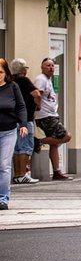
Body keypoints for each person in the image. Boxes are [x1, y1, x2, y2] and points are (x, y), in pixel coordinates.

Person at [34, 57, 74, 180]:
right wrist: (38, 106)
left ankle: (56, 172)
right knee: (65, 136)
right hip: (45, 116)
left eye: (52, 65)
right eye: (48, 65)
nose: (51, 67)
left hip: (52, 115)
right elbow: (37, 94)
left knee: (55, 144)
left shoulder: (48, 80)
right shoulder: (41, 79)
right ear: (42, 67)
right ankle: (38, 141)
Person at [1, 58, 30, 210]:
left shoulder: (12, 87)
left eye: (0, 72)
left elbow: (21, 107)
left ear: (6, 73)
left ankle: (3, 199)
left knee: (4, 165)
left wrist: (23, 124)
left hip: (8, 131)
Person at [10, 58, 40, 184]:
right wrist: (38, 105)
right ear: (23, 70)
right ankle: (23, 174)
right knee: (25, 147)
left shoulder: (9, 80)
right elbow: (37, 94)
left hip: (13, 118)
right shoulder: (24, 80)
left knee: (16, 149)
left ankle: (17, 175)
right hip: (25, 119)